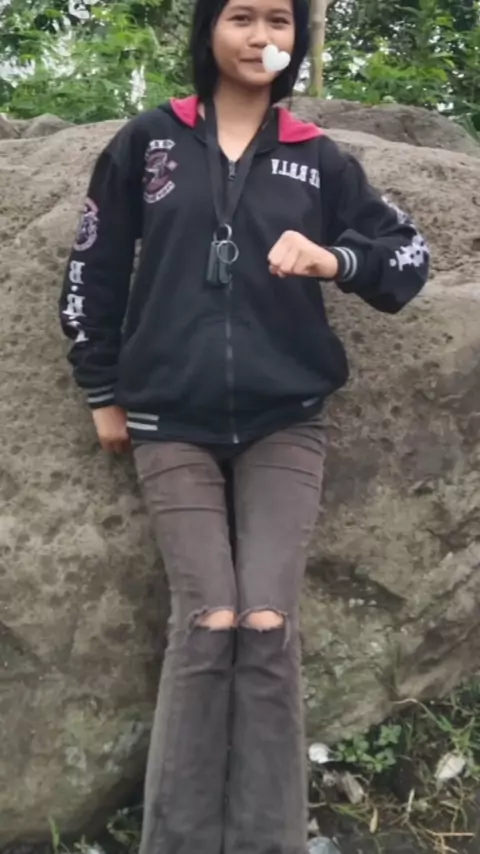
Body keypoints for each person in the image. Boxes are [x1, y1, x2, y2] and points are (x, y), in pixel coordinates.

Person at [58, 0, 430, 850]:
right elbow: (93, 267)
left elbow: (407, 258)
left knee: (267, 619)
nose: (262, 37)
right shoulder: (147, 143)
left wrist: (335, 259)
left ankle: (269, 840)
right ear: (208, 30)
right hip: (168, 419)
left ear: (297, 38)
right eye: (241, 17)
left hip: (284, 420)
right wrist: (102, 391)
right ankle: (179, 840)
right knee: (209, 619)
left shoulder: (318, 156)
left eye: (280, 21)